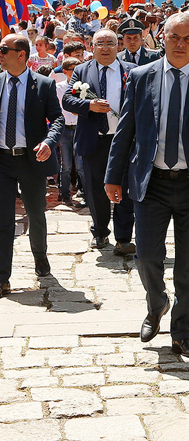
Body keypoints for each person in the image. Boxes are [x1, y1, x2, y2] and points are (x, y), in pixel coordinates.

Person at [104, 13, 189, 358]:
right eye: (174, 37)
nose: (180, 44)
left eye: (188, 39)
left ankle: (182, 330)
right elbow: (126, 130)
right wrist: (113, 175)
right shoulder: (141, 76)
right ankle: (157, 303)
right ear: (162, 37)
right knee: (147, 256)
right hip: (152, 183)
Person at [62, 29, 137, 256]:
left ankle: (123, 238)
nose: (105, 48)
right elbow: (68, 100)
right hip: (94, 141)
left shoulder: (131, 71)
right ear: (91, 47)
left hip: (123, 141)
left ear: (118, 46)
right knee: (95, 190)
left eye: (110, 43)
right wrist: (89, 106)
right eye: (100, 43)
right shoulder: (82, 71)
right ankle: (100, 231)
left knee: (125, 188)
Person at [0, 34, 64, 296]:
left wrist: (49, 142)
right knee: (3, 218)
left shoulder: (44, 84)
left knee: (36, 214)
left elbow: (57, 119)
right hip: (3, 160)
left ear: (21, 54)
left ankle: (40, 257)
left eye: (4, 49)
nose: (0, 54)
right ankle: (2, 276)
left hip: (32, 160)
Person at [55, 57, 84, 208]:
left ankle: (85, 193)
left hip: (79, 128)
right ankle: (65, 194)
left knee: (81, 165)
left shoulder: (83, 87)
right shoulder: (59, 87)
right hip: (65, 128)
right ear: (65, 71)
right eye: (73, 70)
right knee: (66, 165)